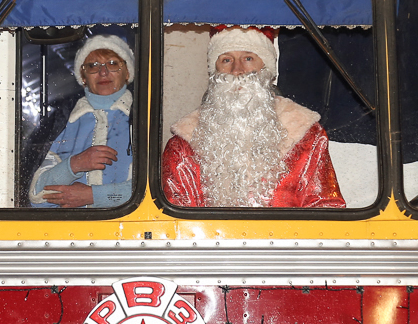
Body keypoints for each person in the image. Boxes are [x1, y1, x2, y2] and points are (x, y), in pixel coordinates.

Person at [162, 25, 346, 208]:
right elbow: (176, 220)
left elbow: (325, 208)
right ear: (214, 71)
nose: (237, 70)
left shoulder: (307, 136)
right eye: (226, 60)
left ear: (266, 68)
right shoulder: (183, 145)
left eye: (248, 58)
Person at [29, 35, 134, 209]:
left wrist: (93, 196)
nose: (103, 72)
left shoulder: (145, 119)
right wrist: (75, 164)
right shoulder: (61, 121)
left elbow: (158, 192)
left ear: (128, 72)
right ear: (83, 76)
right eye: (92, 66)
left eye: (113, 63)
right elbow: (37, 198)